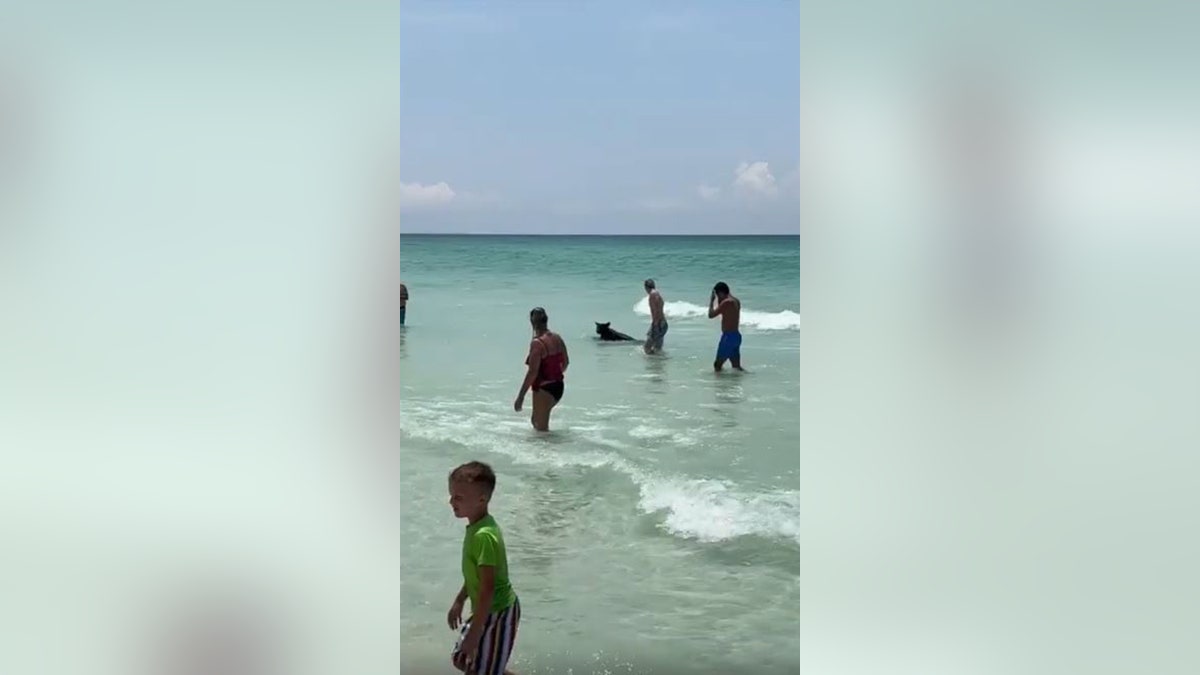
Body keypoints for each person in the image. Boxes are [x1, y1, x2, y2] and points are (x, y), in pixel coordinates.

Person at [447, 461, 521, 675]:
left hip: (499, 612)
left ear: (482, 500)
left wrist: (476, 632)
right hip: (485, 609)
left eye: (458, 497)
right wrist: (460, 599)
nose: (451, 501)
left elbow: (488, 588)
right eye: (452, 495)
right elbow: (476, 576)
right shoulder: (476, 527)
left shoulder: (484, 536)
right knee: (462, 658)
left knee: (479, 669)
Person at [514, 307, 568, 431]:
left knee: (541, 429)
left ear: (532, 323)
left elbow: (532, 372)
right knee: (536, 421)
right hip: (558, 387)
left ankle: (549, 450)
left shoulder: (537, 344)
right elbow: (565, 363)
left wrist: (521, 396)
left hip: (544, 389)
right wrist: (554, 375)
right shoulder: (557, 338)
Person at [707, 281, 743, 371]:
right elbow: (725, 313)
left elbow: (711, 315)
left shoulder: (726, 302)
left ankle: (719, 385)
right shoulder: (736, 301)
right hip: (736, 336)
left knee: (717, 365)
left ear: (721, 293)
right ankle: (739, 383)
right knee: (736, 367)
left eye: (718, 295)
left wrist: (711, 301)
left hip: (728, 337)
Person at [643, 278, 668, 354]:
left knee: (647, 348)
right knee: (657, 349)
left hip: (658, 324)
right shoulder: (657, 294)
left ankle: (652, 364)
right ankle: (658, 364)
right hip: (663, 324)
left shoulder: (652, 295)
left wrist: (655, 325)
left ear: (646, 287)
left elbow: (656, 311)